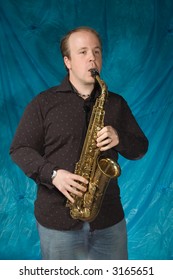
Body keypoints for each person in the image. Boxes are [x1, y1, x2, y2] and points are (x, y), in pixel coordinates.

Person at [10, 26, 148, 260]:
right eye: (82, 52)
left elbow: (140, 148)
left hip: (108, 221)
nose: (92, 57)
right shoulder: (44, 103)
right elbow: (20, 149)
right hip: (57, 221)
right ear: (68, 61)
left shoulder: (115, 103)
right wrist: (53, 174)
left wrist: (119, 139)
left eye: (96, 51)